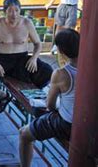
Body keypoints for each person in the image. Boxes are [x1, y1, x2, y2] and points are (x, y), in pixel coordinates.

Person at [0, 0, 53, 113]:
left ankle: (27, 97)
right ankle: (3, 95)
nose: (14, 14)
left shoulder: (27, 23)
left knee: (48, 71)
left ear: (20, 11)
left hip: (21, 61)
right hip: (2, 61)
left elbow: (38, 44)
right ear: (4, 11)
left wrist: (34, 58)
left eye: (17, 11)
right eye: (10, 11)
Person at [19, 29, 79, 167]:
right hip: (90, 123)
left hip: (67, 124)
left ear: (61, 51)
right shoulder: (92, 67)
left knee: (24, 134)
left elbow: (50, 105)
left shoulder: (61, 73)